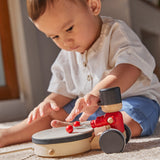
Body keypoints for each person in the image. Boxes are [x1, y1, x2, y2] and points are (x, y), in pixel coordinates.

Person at [0, 0, 160, 148]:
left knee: (132, 117)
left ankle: (92, 132)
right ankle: (9, 135)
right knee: (52, 114)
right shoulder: (67, 53)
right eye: (55, 36)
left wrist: (96, 94)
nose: (65, 42)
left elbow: (129, 69)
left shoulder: (117, 33)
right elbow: (62, 91)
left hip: (132, 100)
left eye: (69, 29)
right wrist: (49, 102)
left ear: (93, 6)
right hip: (86, 108)